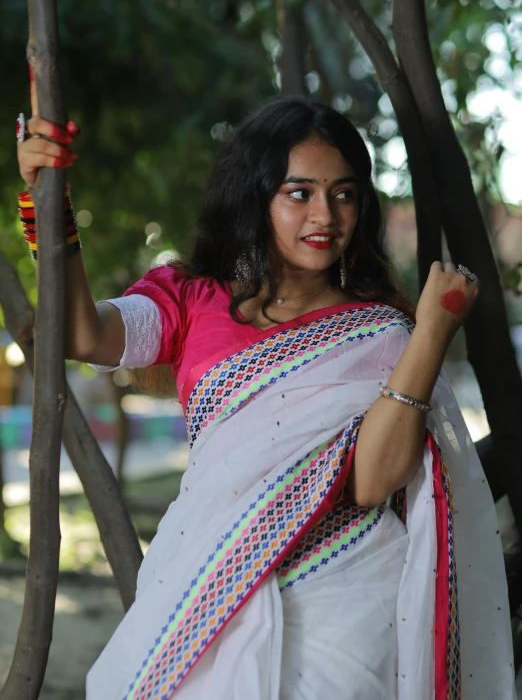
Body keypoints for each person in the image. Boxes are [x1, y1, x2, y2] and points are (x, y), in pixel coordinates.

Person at [17, 97, 515, 700]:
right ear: (255, 197)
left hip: (347, 592)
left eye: (344, 193)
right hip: (209, 582)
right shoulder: (192, 298)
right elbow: (82, 333)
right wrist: (47, 201)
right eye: (298, 193)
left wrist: (432, 331)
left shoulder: (383, 332)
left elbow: (370, 482)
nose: (325, 215)